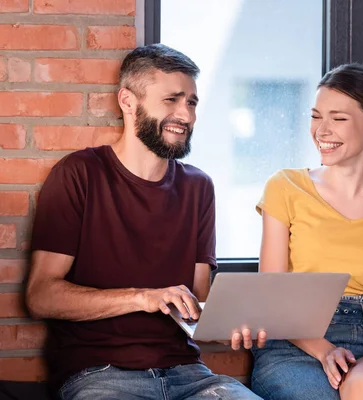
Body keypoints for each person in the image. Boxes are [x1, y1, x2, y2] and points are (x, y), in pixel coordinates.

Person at [26, 43, 264, 400]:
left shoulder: (199, 187)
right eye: (171, 100)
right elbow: (40, 296)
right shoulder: (79, 174)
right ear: (128, 101)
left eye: (192, 102)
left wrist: (234, 324)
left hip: (190, 375)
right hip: (100, 375)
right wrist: (143, 298)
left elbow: (197, 303)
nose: (186, 115)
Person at [250, 63, 363, 400]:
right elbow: (270, 295)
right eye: (316, 116)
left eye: (339, 118)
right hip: (295, 342)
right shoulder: (285, 187)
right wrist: (323, 349)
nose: (322, 130)